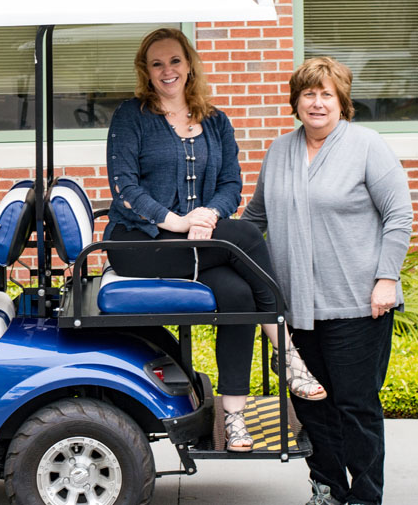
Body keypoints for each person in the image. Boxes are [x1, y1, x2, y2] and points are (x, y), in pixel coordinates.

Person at [104, 28, 325, 453]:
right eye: (157, 64)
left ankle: (235, 417)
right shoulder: (131, 117)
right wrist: (178, 222)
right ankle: (288, 350)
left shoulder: (215, 119)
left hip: (201, 242)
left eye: (174, 61)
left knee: (238, 293)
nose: (167, 71)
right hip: (140, 245)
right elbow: (124, 188)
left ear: (189, 64)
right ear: (146, 71)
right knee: (242, 234)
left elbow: (231, 184)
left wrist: (207, 215)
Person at [242, 57, 412, 505]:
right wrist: (216, 239)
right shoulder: (280, 150)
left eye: (326, 94)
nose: (317, 103)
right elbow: (255, 218)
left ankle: (366, 497)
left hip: (358, 304)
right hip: (297, 308)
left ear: (342, 101)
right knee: (314, 409)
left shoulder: (367, 146)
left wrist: (386, 279)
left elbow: (399, 217)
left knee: (356, 408)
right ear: (296, 101)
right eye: (308, 93)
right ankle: (329, 490)